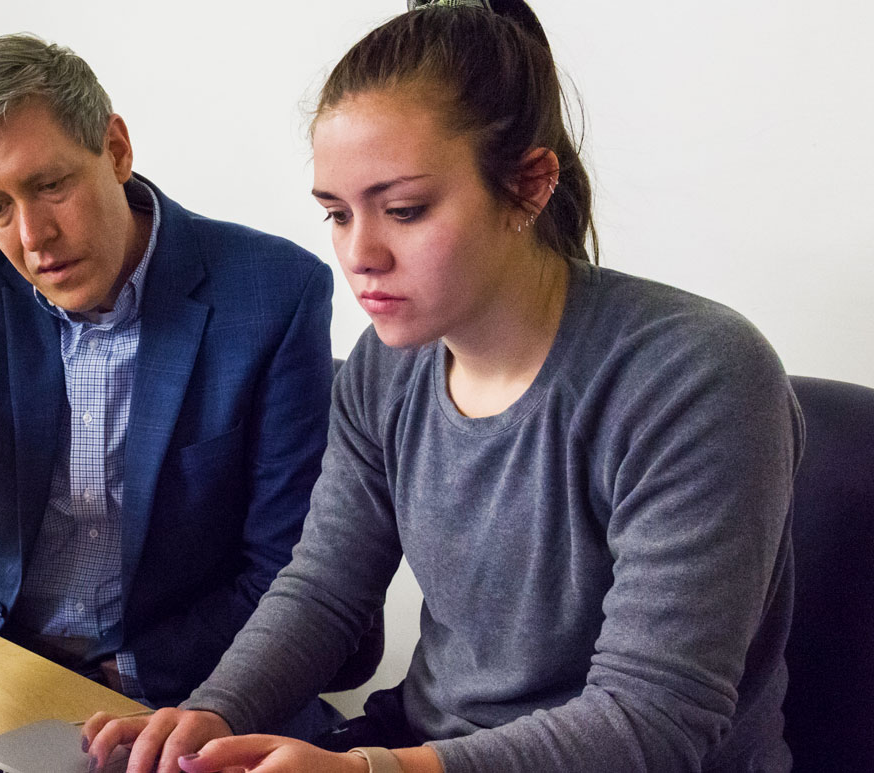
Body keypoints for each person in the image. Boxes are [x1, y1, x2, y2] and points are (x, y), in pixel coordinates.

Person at [83, 1, 800, 771]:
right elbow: (323, 589)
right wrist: (207, 716)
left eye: (404, 210)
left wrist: (372, 770)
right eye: (335, 213)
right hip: (426, 749)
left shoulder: (696, 377)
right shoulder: (384, 367)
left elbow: (653, 719)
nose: (359, 255)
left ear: (528, 186)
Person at [0, 33, 378, 736]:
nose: (32, 237)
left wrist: (124, 676)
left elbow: (285, 568)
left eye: (51, 185)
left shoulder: (272, 293)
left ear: (115, 149)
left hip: (170, 685)